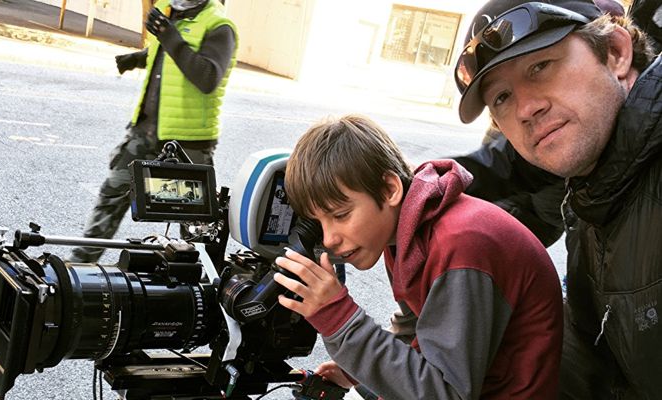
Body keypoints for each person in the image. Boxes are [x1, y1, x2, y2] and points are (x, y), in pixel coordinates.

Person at [273, 114, 563, 399]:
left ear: (389, 190)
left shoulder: (460, 246)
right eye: (319, 223)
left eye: (341, 215)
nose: (329, 239)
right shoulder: (404, 229)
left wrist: (339, 320)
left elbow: (445, 393)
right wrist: (361, 373)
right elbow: (419, 327)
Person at [453, 0, 660, 397]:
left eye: (540, 66)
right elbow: (595, 361)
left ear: (616, 52)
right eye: (501, 98)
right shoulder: (590, 196)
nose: (527, 108)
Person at [69, 0, 237, 263]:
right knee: (111, 194)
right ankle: (78, 266)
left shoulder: (219, 26)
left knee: (193, 222)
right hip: (145, 131)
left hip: (187, 140)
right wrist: (135, 59)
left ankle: (198, 283)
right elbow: (165, 53)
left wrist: (169, 36)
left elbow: (207, 77)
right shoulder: (169, 10)